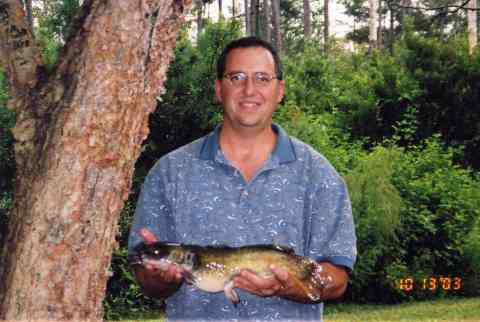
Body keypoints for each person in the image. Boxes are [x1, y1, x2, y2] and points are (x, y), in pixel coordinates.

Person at [128, 36, 357, 321]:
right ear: (218, 89)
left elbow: (337, 279)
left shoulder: (319, 174)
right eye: (236, 77)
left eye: (262, 78)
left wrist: (289, 286)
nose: (250, 90)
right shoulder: (169, 172)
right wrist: (161, 278)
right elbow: (147, 282)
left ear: (280, 90)